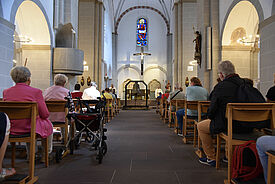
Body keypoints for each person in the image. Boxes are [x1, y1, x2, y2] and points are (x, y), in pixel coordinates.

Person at [197, 60, 265, 167]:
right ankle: (228, 157)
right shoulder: (247, 84)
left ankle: (211, 157)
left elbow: (211, 111)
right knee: (230, 122)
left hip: (227, 126)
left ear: (222, 74)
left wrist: (211, 116)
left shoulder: (221, 87)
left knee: (201, 126)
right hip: (248, 126)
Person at [3, 66, 53, 157]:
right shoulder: (36, 92)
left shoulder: (6, 92)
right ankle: (45, 154)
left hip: (12, 128)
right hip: (29, 128)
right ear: (28, 78)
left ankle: (31, 154)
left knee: (31, 121)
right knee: (45, 123)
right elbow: (45, 114)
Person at [43, 74, 70, 143]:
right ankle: (67, 139)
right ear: (64, 83)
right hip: (63, 119)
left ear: (54, 82)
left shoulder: (46, 90)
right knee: (71, 118)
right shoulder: (66, 92)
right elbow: (71, 106)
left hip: (48, 118)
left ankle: (47, 142)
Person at [0, 113, 16, 180]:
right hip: (29, 128)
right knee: (4, 118)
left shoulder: (5, 101)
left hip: (15, 126)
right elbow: (45, 114)